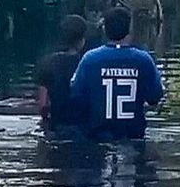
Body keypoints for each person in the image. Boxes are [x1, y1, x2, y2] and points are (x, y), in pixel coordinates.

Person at [70, 7, 165, 140]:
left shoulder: (90, 59)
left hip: (97, 136)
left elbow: (77, 96)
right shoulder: (144, 60)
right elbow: (155, 97)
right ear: (130, 29)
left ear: (105, 30)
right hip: (133, 135)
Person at [35, 15, 88, 125]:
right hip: (82, 127)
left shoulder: (48, 63)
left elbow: (43, 105)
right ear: (82, 41)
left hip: (57, 126)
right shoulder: (88, 63)